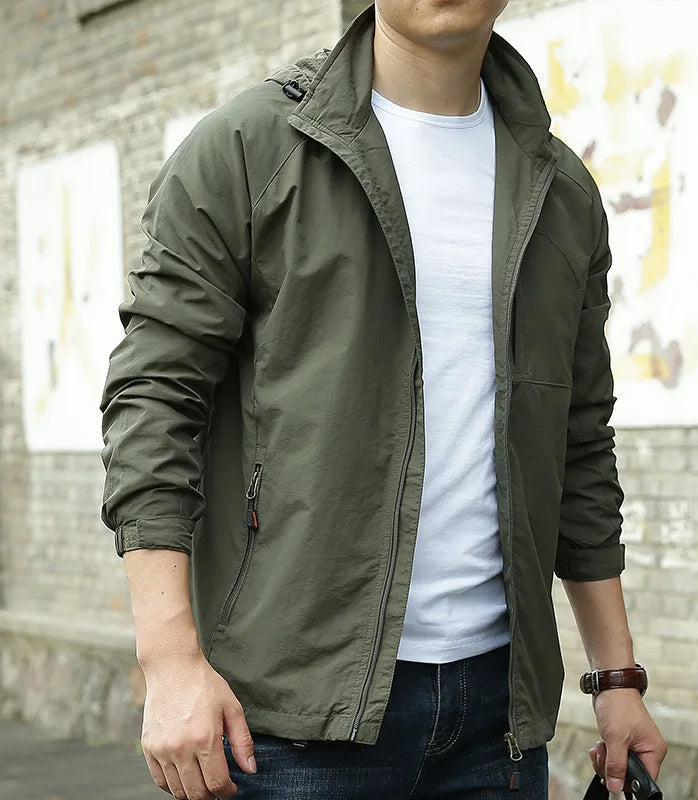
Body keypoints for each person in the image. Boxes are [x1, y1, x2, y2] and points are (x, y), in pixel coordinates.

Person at [100, 2, 667, 798]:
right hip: (292, 719)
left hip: (497, 720)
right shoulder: (251, 148)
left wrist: (617, 678)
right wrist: (169, 660)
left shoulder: (560, 190)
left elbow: (578, 442)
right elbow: (153, 399)